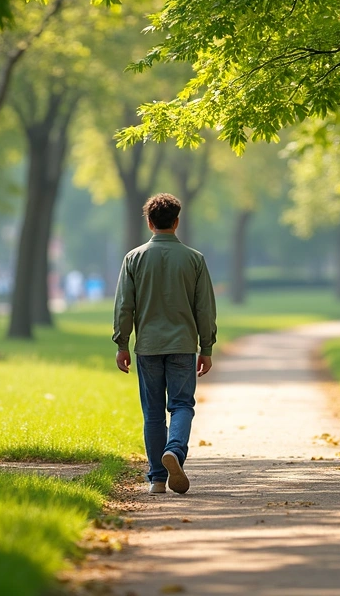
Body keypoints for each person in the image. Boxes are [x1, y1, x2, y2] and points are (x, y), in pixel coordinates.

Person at [112, 193, 217, 495]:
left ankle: (158, 478)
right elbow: (205, 309)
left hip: (148, 346)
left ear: (149, 222)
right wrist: (206, 348)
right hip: (184, 345)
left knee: (153, 413)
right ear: (176, 221)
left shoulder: (134, 258)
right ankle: (175, 450)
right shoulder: (194, 259)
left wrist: (121, 343)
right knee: (182, 404)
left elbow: (124, 307)